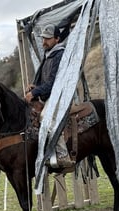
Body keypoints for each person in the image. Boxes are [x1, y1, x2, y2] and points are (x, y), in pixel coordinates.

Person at [25, 24, 74, 167]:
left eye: (48, 38)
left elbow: (54, 82)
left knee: (46, 119)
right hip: (50, 98)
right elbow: (45, 81)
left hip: (59, 97)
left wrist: (35, 92)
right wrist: (35, 87)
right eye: (43, 38)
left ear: (57, 39)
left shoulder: (60, 55)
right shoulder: (49, 55)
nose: (44, 42)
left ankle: (62, 155)